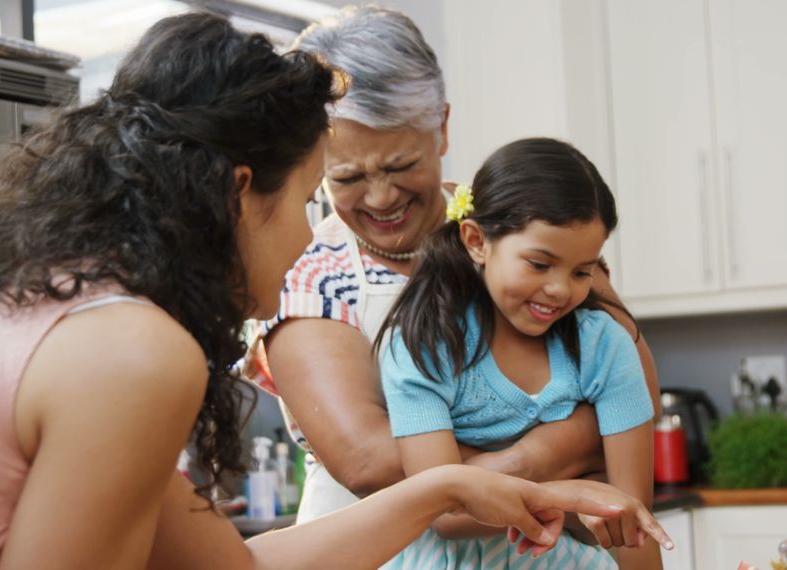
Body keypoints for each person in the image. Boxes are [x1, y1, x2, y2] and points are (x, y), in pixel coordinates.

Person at [0, 13, 670, 569]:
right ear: (239, 195)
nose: (305, 241)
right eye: (309, 198)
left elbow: (236, 566)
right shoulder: (131, 352)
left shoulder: (65, 310)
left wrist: (452, 485)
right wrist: (544, 449)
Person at [254, 3, 662, 533]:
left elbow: (636, 387)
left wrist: (494, 474)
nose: (380, 198)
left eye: (401, 165)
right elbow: (369, 461)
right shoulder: (305, 272)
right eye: (347, 177)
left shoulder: (526, 230)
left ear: (441, 128)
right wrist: (540, 461)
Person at [377, 138, 662, 569]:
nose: (560, 289)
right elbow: (443, 512)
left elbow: (629, 521)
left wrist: (489, 481)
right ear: (476, 241)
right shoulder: (425, 345)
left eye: (582, 270)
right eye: (539, 264)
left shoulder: (605, 346)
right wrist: (572, 495)